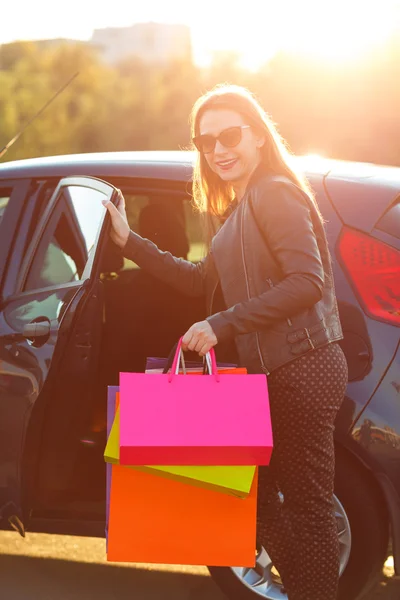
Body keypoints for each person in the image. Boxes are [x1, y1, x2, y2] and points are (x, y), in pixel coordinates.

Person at [103, 84, 348, 600]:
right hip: (277, 370)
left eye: (230, 135)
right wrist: (129, 243)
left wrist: (223, 323)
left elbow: (308, 282)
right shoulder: (241, 207)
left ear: (258, 135)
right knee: (254, 499)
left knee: (307, 508)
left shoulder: (274, 191)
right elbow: (198, 280)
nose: (218, 150)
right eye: (205, 141)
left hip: (303, 365)